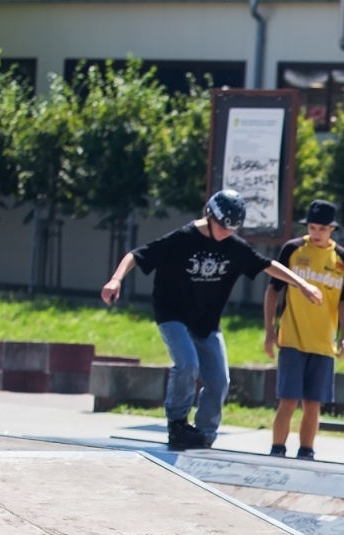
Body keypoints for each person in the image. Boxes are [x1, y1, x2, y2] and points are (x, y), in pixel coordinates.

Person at [101, 189, 323, 450]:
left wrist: (302, 284)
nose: (226, 234)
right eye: (222, 228)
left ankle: (204, 434)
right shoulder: (183, 238)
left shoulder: (234, 246)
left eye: (232, 230)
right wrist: (116, 279)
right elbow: (136, 255)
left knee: (219, 380)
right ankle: (177, 424)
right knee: (187, 365)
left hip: (206, 321)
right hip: (172, 315)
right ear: (209, 217)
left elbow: (267, 265)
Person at [263, 199, 344, 460]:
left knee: (314, 403)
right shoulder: (292, 250)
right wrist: (270, 332)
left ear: (332, 229)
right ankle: (277, 449)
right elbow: (273, 291)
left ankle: (306, 451)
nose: (316, 233)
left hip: (324, 342)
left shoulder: (342, 258)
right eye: (312, 227)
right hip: (292, 338)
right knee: (288, 400)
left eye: (322, 229)